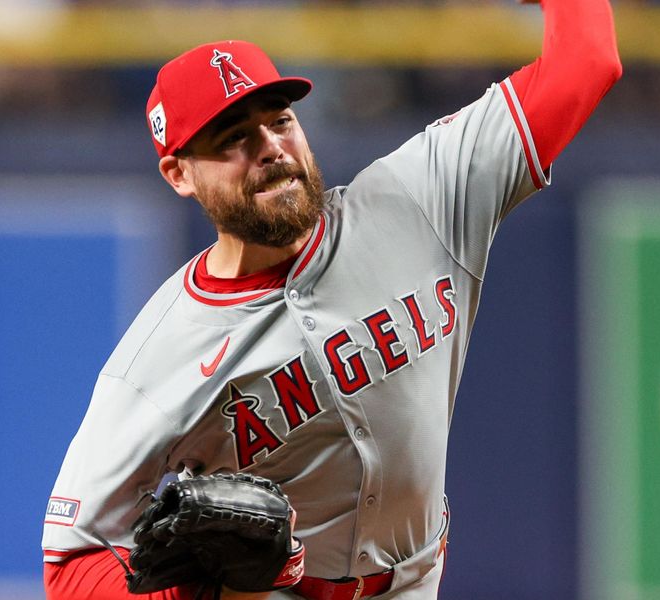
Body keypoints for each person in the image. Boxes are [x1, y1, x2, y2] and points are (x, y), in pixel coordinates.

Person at [42, 0, 621, 597]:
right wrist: (186, 594)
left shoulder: (419, 198)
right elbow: (68, 566)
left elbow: (587, 62)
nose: (270, 147)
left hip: (420, 578)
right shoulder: (157, 360)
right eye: (234, 138)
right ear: (179, 174)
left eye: (280, 120)